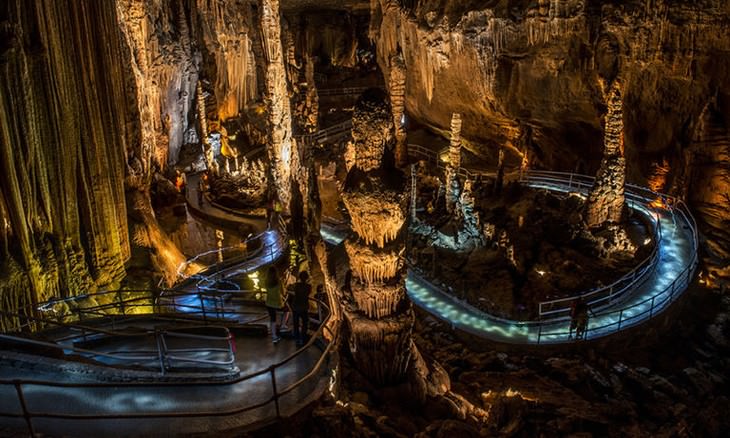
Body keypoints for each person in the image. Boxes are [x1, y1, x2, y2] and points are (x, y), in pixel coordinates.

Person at [291, 271, 312, 347]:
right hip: (304, 307)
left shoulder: (296, 285)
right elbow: (308, 293)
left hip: (296, 307)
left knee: (296, 323)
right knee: (305, 324)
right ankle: (303, 338)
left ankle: (297, 339)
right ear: (307, 278)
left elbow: (293, 291)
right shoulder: (308, 286)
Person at [265, 266, 284, 344]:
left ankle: (274, 336)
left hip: (269, 302)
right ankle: (282, 326)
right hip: (277, 302)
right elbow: (282, 291)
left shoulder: (266, 281)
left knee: (272, 319)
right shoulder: (278, 281)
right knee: (287, 311)